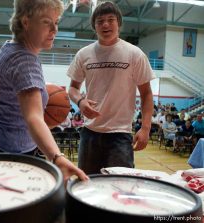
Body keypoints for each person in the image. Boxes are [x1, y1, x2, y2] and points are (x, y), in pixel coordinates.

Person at [0, 0, 87, 183]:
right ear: (26, 21)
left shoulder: (11, 49)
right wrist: (57, 158)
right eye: (47, 22)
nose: (55, 29)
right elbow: (33, 117)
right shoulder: (25, 61)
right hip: (11, 155)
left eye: (56, 22)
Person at [67, 1, 155, 174]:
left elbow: (146, 94)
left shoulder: (135, 54)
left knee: (120, 188)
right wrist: (80, 101)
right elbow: (72, 88)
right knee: (87, 185)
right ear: (94, 26)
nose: (105, 24)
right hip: (89, 132)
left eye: (110, 19)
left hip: (120, 134)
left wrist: (145, 128)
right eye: (100, 21)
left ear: (119, 23)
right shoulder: (83, 54)